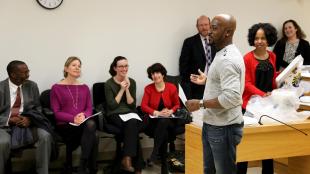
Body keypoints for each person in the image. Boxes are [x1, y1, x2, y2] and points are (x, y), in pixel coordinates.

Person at [186, 14, 245, 174]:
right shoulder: (222, 53)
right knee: (209, 170)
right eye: (210, 27)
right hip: (214, 123)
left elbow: (231, 97)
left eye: (214, 28)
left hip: (223, 127)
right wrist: (209, 80)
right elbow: (225, 84)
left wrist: (200, 104)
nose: (209, 31)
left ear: (227, 32)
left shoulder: (227, 60)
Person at [237, 23, 278, 174]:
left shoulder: (273, 56)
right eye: (256, 38)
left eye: (263, 38)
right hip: (249, 106)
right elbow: (246, 83)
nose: (259, 41)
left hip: (267, 107)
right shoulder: (247, 58)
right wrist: (262, 94)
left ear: (269, 40)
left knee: (267, 145)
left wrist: (284, 79)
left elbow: (273, 79)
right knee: (245, 147)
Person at [0, 60, 53, 174]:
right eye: (25, 72)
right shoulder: (1, 88)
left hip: (28, 123)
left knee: (45, 136)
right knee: (2, 143)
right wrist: (8, 120)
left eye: (28, 71)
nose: (28, 74)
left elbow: (38, 108)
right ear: (13, 75)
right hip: (5, 126)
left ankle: (43, 171)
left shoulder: (32, 86)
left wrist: (30, 119)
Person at [50, 56, 98, 174]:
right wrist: (73, 118)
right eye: (74, 65)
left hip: (83, 123)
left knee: (90, 124)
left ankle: (82, 163)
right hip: (65, 125)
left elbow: (89, 108)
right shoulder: (56, 88)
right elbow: (56, 112)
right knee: (93, 133)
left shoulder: (84, 87)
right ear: (66, 68)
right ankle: (87, 166)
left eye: (79, 66)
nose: (77, 68)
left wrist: (84, 115)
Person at [105, 56, 143, 174]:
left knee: (132, 124)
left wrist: (127, 88)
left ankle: (127, 159)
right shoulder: (108, 83)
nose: (124, 68)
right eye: (121, 66)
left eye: (126, 66)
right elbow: (112, 105)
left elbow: (132, 105)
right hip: (114, 114)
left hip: (129, 113)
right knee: (133, 127)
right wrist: (121, 89)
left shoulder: (132, 82)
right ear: (115, 68)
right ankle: (136, 166)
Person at [141, 63, 180, 174]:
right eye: (153, 73)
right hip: (154, 122)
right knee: (164, 133)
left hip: (170, 121)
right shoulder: (148, 88)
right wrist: (157, 112)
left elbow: (177, 105)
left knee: (164, 121)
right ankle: (164, 166)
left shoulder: (171, 87)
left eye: (157, 72)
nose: (155, 75)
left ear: (163, 74)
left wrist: (171, 111)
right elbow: (144, 106)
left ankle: (154, 154)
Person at [179, 15, 216, 100]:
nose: (204, 27)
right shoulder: (189, 42)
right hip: (195, 86)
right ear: (197, 27)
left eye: (206, 24)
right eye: (201, 25)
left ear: (210, 25)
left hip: (214, 84)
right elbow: (183, 65)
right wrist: (188, 83)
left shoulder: (216, 41)